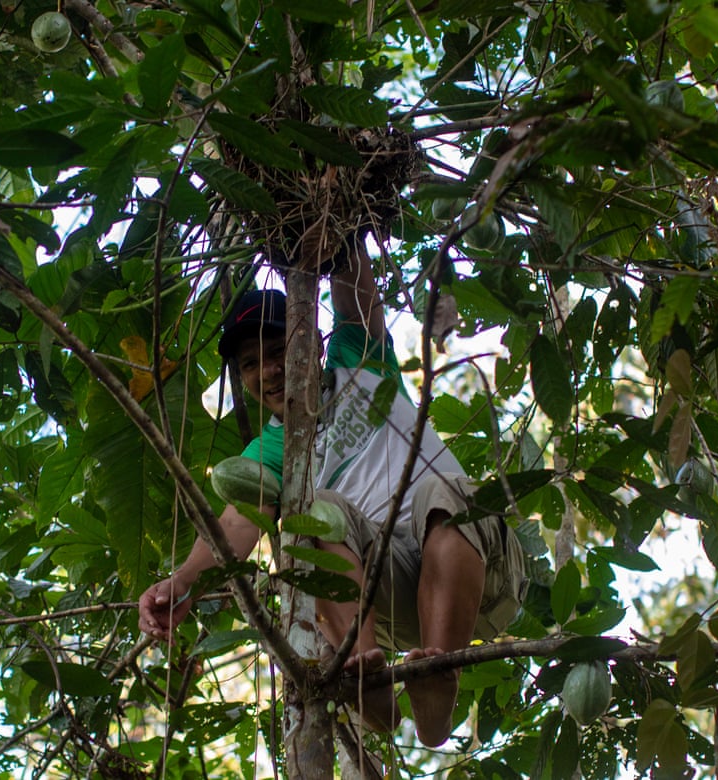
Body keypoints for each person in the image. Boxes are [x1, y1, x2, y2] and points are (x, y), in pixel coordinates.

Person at [137, 246, 526, 747]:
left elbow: (354, 287)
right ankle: (364, 672)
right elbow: (235, 523)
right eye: (252, 364)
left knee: (443, 489)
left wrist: (342, 235)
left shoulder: (357, 359)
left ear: (314, 343)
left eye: (278, 350)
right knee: (312, 514)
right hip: (392, 599)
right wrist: (184, 580)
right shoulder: (272, 449)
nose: (269, 371)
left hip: (480, 566)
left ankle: (437, 674)